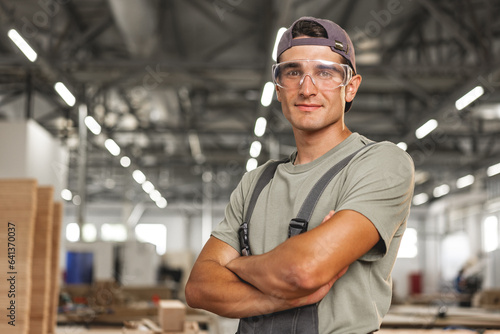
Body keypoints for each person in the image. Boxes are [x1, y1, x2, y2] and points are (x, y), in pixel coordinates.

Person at [185, 16, 415, 333]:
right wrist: (286, 298)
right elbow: (198, 288)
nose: (307, 89)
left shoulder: (381, 163)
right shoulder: (256, 181)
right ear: (278, 89)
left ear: (350, 88)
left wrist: (236, 265)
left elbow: (302, 272)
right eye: (293, 73)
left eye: (325, 73)